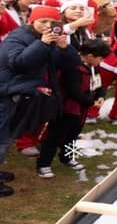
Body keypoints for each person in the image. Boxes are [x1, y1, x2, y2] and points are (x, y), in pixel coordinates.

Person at [0, 4, 75, 191]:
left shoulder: (48, 40)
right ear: (32, 21)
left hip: (21, 94)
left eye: (52, 22)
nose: (47, 25)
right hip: (5, 94)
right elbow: (19, 63)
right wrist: (42, 44)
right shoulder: (17, 38)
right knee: (1, 138)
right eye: (43, 21)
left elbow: (70, 64)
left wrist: (65, 48)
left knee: (7, 136)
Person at [36, 38, 110, 178]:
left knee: (73, 135)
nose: (102, 61)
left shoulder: (94, 67)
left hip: (81, 110)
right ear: (90, 56)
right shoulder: (73, 67)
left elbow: (99, 83)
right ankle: (44, 164)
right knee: (55, 137)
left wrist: (101, 95)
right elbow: (72, 90)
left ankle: (67, 157)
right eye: (100, 58)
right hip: (67, 108)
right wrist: (90, 102)